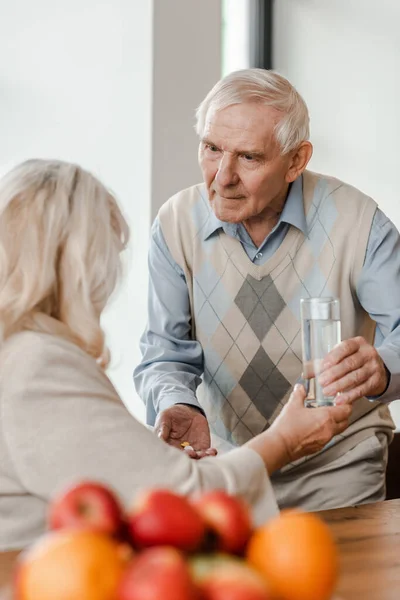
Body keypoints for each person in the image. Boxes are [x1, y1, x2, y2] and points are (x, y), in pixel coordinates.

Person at [0, 159, 351, 551]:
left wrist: (147, 458)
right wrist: (285, 440)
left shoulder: (21, 353)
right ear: (82, 265)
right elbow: (184, 501)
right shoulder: (36, 366)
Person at [134, 68, 399, 511]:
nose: (222, 177)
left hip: (337, 470)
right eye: (212, 149)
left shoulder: (360, 222)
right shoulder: (175, 223)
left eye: (249, 157)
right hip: (225, 466)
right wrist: (181, 404)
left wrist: (383, 369)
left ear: (296, 161)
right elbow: (165, 352)